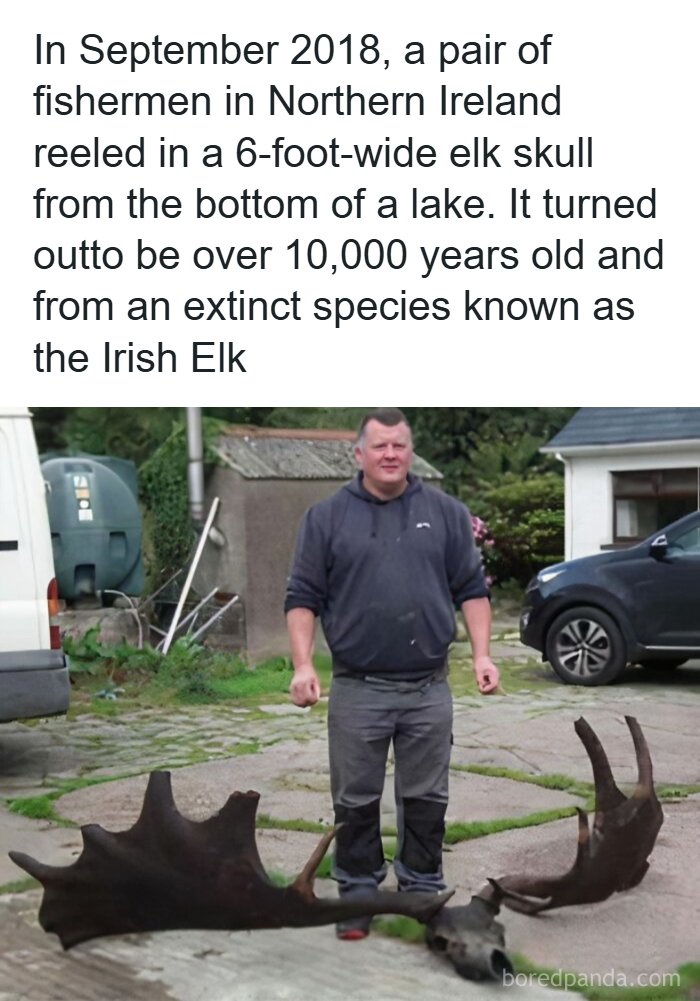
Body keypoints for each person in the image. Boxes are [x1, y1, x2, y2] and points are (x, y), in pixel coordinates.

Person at [284, 409, 499, 940]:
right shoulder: (326, 518)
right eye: (379, 446)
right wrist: (304, 664)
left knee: (426, 797)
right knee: (354, 799)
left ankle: (423, 890)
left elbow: (471, 589)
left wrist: (482, 656)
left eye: (399, 446)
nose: (390, 455)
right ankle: (356, 894)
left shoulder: (446, 513)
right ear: (358, 454)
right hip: (358, 688)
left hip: (428, 687)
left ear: (410, 451)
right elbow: (302, 598)